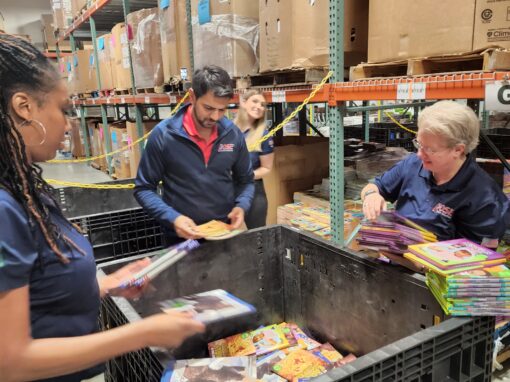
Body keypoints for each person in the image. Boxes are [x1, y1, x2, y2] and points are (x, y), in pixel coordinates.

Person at [0, 34, 204, 382]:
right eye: (63, 110)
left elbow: (38, 296)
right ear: (24, 107)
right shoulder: (4, 209)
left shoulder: (24, 186)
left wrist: (105, 286)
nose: (69, 124)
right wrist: (143, 333)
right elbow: (10, 362)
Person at [361, 100, 510, 246]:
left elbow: (479, 258)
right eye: (419, 144)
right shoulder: (413, 164)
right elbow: (375, 186)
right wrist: (371, 196)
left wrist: (422, 261)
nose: (420, 154)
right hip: (397, 259)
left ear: (458, 150)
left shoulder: (484, 196)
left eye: (430, 149)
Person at [134, 66, 254, 243]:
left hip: (223, 235)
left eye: (222, 110)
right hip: (181, 239)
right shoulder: (165, 136)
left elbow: (246, 181)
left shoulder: (232, 135)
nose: (215, 117)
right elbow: (143, 188)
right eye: (208, 108)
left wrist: (242, 206)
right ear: (192, 96)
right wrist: (173, 217)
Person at [234, 90, 274, 229]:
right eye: (255, 101)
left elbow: (267, 168)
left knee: (258, 238)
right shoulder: (229, 130)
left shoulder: (264, 134)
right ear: (243, 103)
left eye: (263, 104)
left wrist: (247, 175)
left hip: (253, 191)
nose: (259, 107)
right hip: (227, 189)